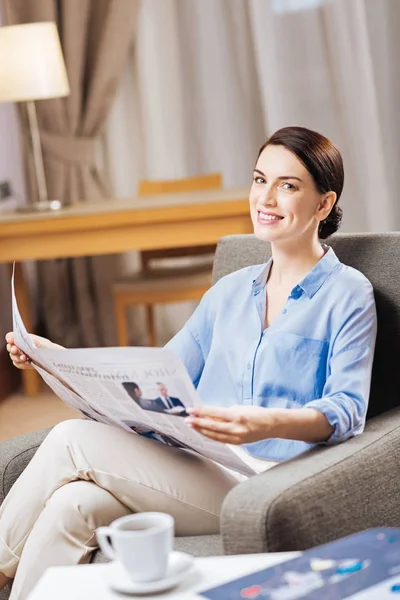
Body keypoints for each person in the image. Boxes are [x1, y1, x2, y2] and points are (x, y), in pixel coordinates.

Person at [1, 126, 377, 599]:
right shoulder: (230, 292)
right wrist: (52, 358)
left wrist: (263, 423)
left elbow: (348, 409)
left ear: (323, 205)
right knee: (73, 506)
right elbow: (151, 375)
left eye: (288, 185)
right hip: (198, 464)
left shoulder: (349, 295)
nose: (266, 197)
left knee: (71, 439)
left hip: (268, 483)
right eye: (260, 180)